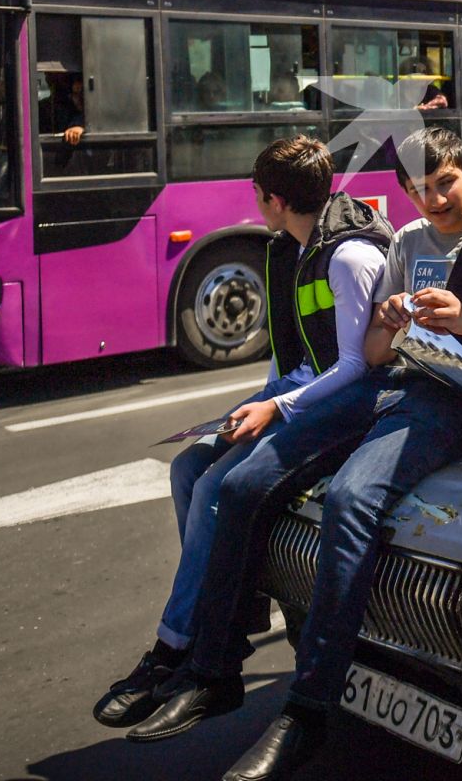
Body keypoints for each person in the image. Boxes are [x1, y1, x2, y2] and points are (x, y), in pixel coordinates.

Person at [129, 128, 462, 780]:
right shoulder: (409, 243)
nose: (434, 198)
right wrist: (389, 323)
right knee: (241, 485)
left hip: (459, 398)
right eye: (417, 188)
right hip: (395, 383)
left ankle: (307, 708)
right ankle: (211, 671)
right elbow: (378, 358)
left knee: (353, 499)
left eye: (445, 181)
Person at [93, 137, 391, 731]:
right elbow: (288, 359)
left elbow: (356, 367)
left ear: (275, 200)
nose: (254, 203)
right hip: (297, 391)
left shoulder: (349, 258)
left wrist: (275, 408)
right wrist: (256, 403)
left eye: (257, 194)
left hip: (339, 402)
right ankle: (223, 618)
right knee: (185, 470)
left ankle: (179, 647)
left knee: (214, 490)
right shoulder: (286, 248)